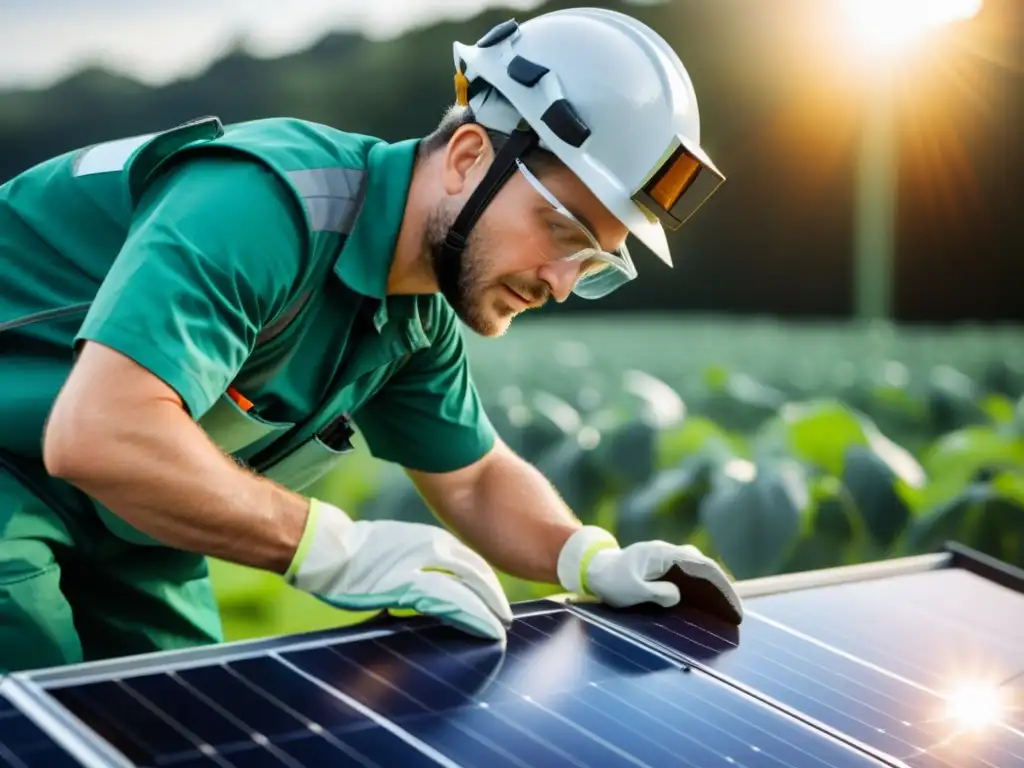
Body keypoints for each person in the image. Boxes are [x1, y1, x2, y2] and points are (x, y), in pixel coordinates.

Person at [0, 7, 742, 673]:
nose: (560, 282)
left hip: (128, 529)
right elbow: (100, 430)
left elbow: (476, 480)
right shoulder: (261, 207)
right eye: (561, 232)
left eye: (593, 262)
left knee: (174, 723)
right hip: (15, 474)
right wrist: (336, 549)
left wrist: (587, 557)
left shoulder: (416, 317)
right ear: (467, 157)